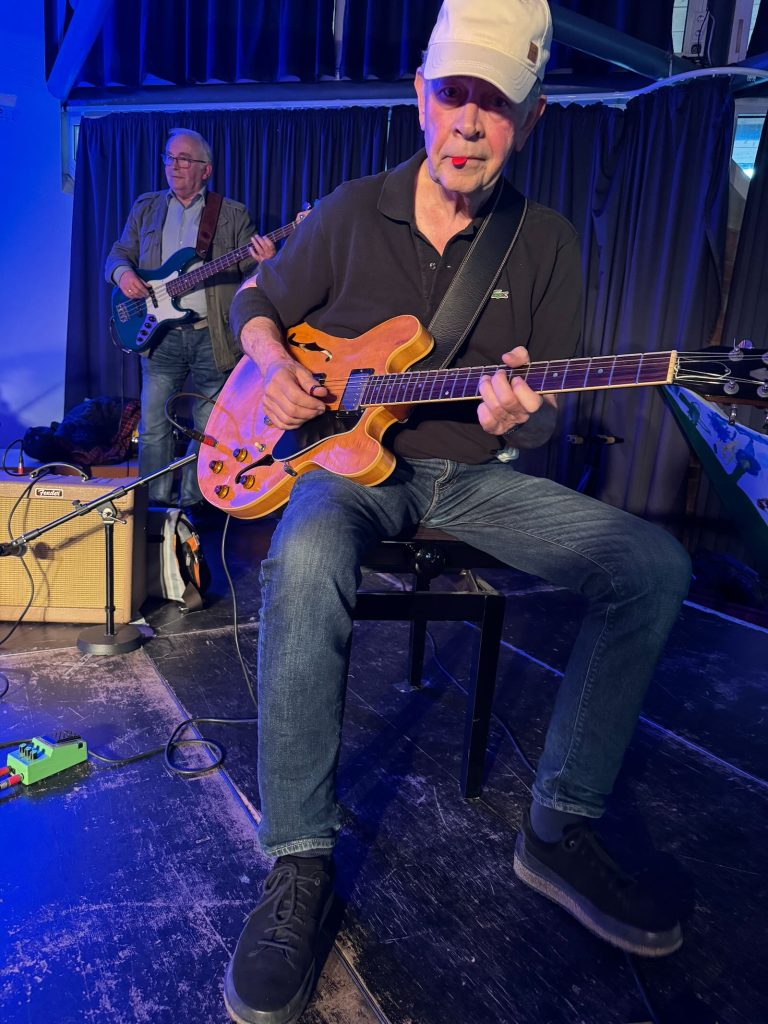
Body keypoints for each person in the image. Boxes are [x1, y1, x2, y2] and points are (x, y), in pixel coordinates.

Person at [222, 1, 692, 1021]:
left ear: (532, 115)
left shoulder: (547, 241)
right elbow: (253, 304)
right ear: (420, 98)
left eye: (496, 103)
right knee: (304, 555)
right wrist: (273, 365)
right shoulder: (352, 210)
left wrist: (522, 417)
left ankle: (558, 825)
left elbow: (545, 416)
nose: (470, 123)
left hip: (472, 477)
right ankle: (299, 860)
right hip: (350, 469)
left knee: (653, 566)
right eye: (453, 95)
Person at [105, 128, 276, 513]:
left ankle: (195, 508)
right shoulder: (146, 207)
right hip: (159, 338)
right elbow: (118, 254)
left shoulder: (231, 214)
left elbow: (250, 275)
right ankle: (153, 509)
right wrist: (123, 274)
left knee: (209, 429)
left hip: (211, 337)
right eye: (169, 157)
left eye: (184, 159)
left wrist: (266, 262)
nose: (174, 165)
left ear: (205, 170)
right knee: (153, 428)